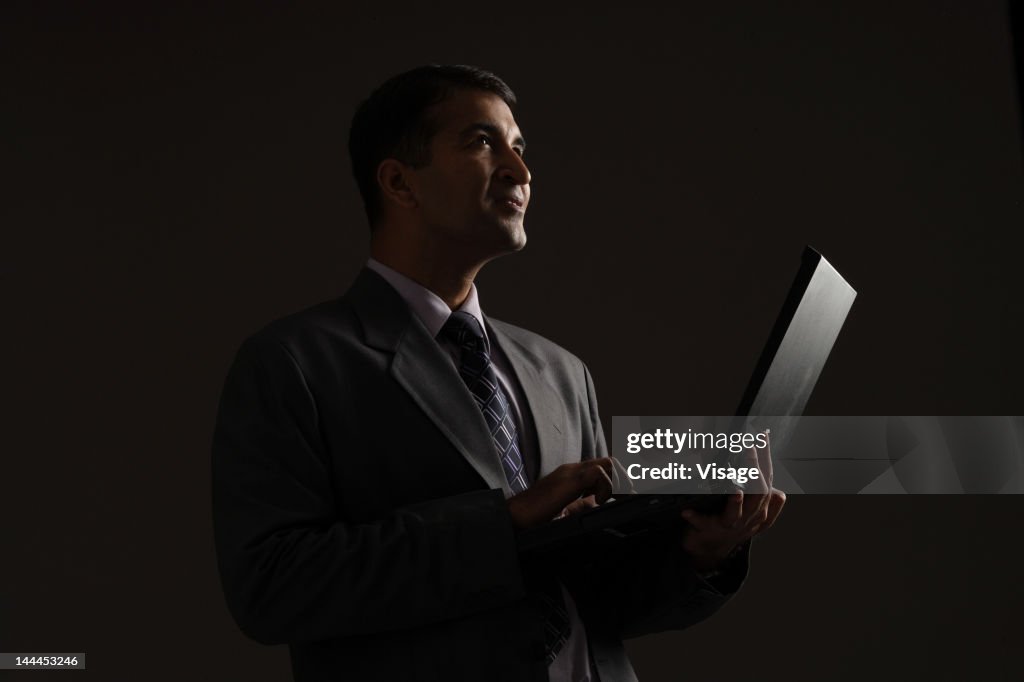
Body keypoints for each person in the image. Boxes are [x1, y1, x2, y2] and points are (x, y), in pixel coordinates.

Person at [212, 64, 785, 682]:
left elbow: (596, 599)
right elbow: (271, 589)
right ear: (400, 183)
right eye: (482, 143)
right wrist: (504, 522)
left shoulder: (562, 372)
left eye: (519, 147)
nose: (520, 171)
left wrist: (705, 551)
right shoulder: (294, 362)